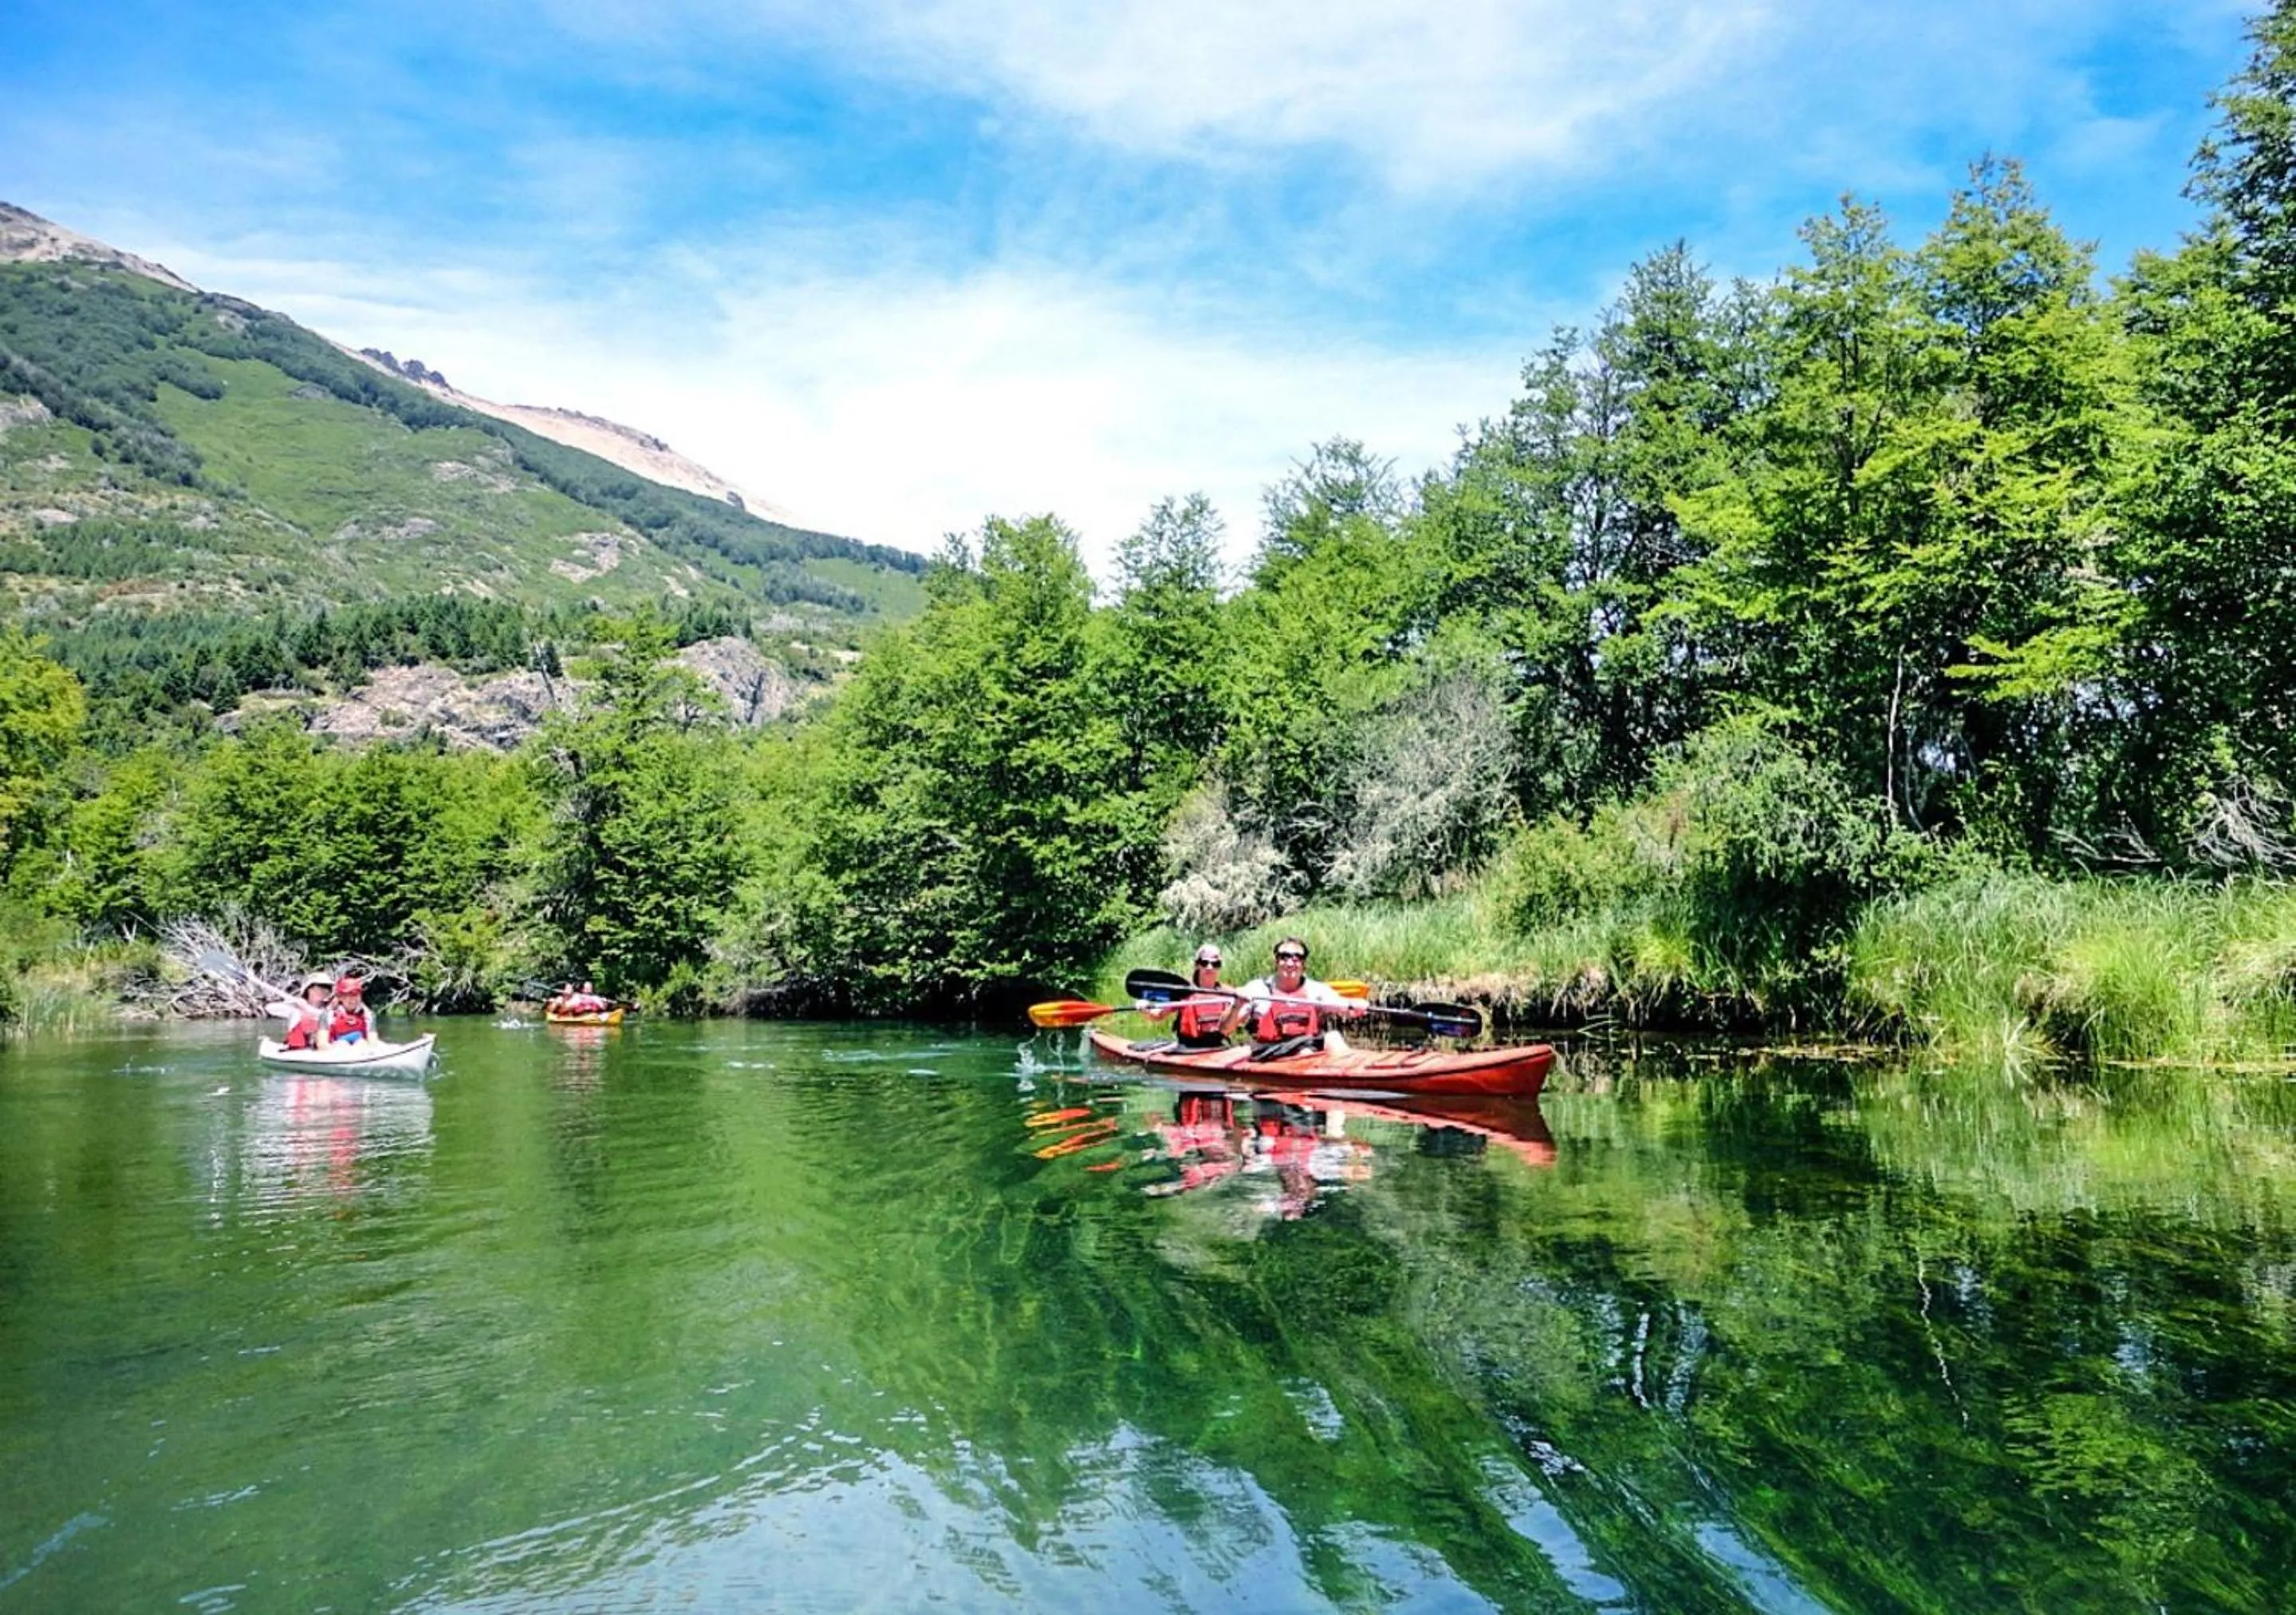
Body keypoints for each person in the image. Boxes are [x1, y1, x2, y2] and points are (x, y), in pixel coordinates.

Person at [1223, 936, 1362, 1056]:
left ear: (1303, 964)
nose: (1290, 963)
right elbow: (1225, 1029)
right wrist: (1237, 1005)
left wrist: (1354, 1005)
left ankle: (1352, 1078)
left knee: (1333, 1037)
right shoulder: (1257, 989)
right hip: (1269, 1052)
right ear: (1276, 962)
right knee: (1305, 1052)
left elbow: (1341, 1004)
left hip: (1307, 1047)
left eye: (1297, 958)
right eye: (1284, 957)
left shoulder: (1316, 990)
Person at [1139, 945, 1232, 1048]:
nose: (1210, 968)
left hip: (1218, 1047)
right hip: (1189, 1048)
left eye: (1216, 964)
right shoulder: (1184, 991)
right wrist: (1145, 1009)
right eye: (1204, 963)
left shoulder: (1228, 993)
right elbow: (1158, 1015)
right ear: (1197, 965)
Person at [280, 975, 333, 1051]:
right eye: (321, 986)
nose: (325, 990)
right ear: (309, 989)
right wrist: (297, 1005)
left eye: (328, 987)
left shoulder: (329, 1010)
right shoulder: (295, 1008)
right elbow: (270, 1008)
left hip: (321, 1050)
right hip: (297, 1051)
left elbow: (330, 1020)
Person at [327, 975, 372, 1045]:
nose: (353, 999)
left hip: (360, 1049)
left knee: (361, 1043)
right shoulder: (329, 1015)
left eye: (356, 994)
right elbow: (323, 1044)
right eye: (349, 994)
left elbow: (373, 1041)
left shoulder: (367, 1015)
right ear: (340, 997)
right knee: (342, 1044)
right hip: (337, 1048)